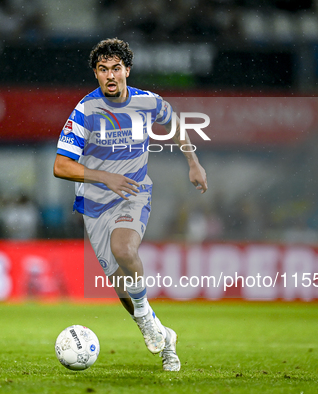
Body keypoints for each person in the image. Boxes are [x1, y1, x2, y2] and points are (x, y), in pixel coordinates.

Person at [53, 38, 208, 372]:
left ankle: (146, 320)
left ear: (127, 70)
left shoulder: (147, 102)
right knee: (122, 286)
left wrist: (193, 163)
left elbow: (175, 122)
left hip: (133, 194)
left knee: (124, 250)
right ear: (95, 73)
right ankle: (163, 335)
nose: (110, 75)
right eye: (103, 69)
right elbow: (61, 166)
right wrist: (103, 177)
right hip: (94, 204)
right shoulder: (85, 111)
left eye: (116, 68)